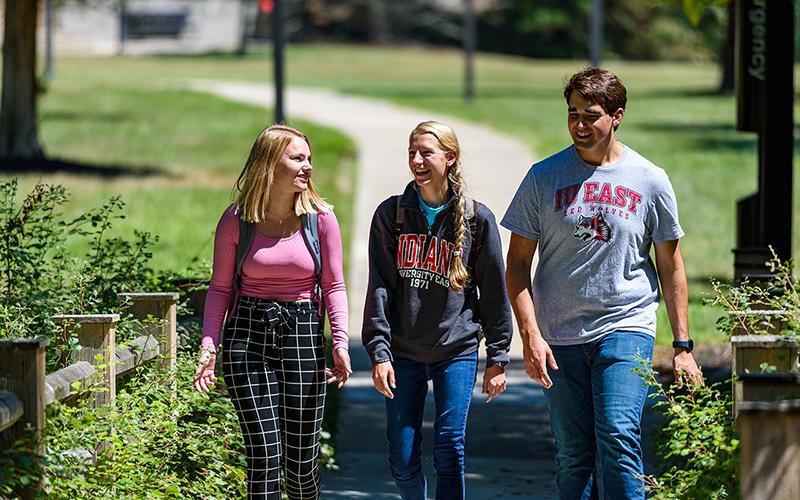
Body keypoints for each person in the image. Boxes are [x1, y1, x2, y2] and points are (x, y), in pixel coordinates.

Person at [502, 67, 704, 499]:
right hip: (559, 335)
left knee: (617, 434)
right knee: (575, 454)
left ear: (617, 116)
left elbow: (671, 266)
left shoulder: (650, 180)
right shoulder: (543, 177)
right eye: (572, 113)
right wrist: (530, 335)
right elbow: (517, 264)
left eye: (590, 115)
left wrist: (683, 347)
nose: (579, 124)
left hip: (626, 324)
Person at [193, 124, 352, 500]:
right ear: (269, 163)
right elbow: (219, 289)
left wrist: (341, 344)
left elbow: (333, 286)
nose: (308, 166)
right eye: (297, 158)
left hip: (302, 334)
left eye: (309, 158)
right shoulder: (236, 220)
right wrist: (208, 348)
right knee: (264, 455)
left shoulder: (321, 219)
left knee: (300, 466)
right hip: (246, 337)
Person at [362, 120, 513, 500]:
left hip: (455, 349)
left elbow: (494, 291)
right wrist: (379, 353)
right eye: (412, 152)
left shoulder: (478, 220)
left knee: (450, 448)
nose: (417, 160)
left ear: (450, 157)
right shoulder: (391, 215)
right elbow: (379, 286)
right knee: (402, 456)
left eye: (426, 152)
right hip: (403, 352)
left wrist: (497, 356)